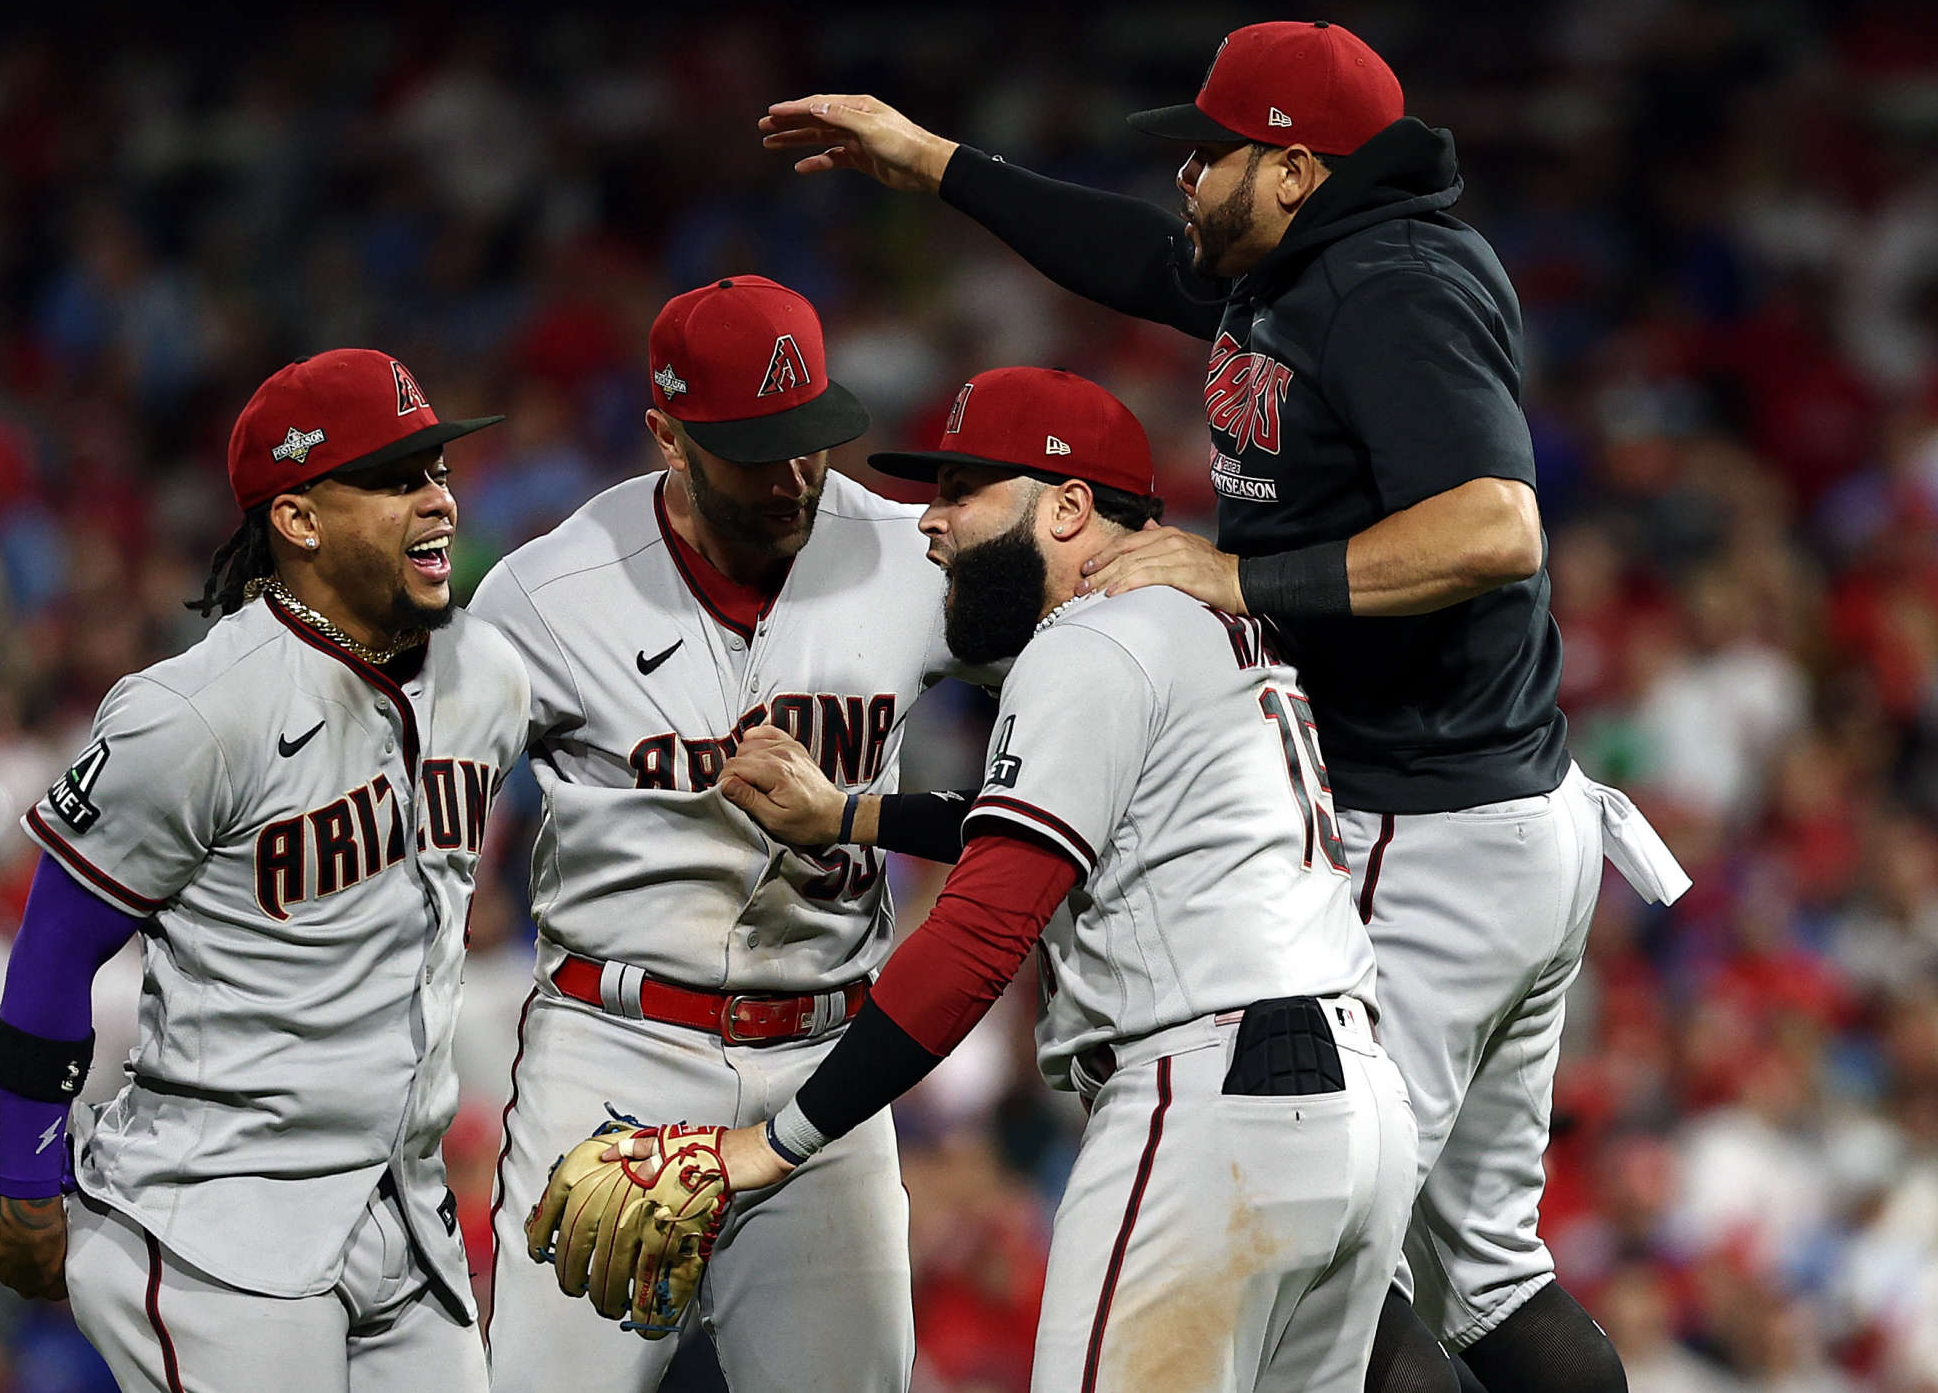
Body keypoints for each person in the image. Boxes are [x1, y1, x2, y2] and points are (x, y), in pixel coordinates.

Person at [757, 20, 1690, 1393]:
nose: (1184, 177)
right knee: (1488, 1277)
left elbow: (1497, 528)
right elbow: (1133, 259)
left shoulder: (1396, 283)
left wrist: (1240, 567)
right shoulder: (1302, 270)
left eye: (1211, 153)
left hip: (1423, 824)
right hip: (1489, 816)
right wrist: (938, 163)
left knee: (1341, 1265)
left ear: (1299, 170)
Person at [535, 366, 1421, 1392]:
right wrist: (852, 815)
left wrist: (770, 1146)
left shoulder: (1092, 638)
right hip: (1349, 1109)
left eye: (962, 491)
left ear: (1067, 507)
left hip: (1211, 1108)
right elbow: (1082, 828)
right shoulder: (1209, 627)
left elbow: (979, 935)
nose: (929, 523)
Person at [468, 276, 987, 1393]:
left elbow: (1089, 663)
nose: (798, 472)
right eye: (758, 449)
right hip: (616, 1059)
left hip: (826, 1069)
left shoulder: (906, 553)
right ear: (665, 436)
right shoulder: (547, 594)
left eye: (809, 436)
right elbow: (424, 807)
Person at [0, 349, 527, 1393]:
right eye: (396, 477)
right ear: (299, 519)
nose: (437, 502)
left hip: (405, 1211)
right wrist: (26, 1192)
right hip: (221, 1216)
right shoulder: (194, 713)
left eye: (440, 471)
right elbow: (53, 956)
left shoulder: (487, 675)